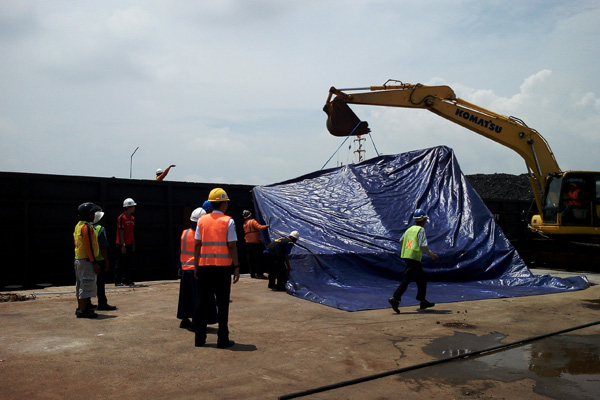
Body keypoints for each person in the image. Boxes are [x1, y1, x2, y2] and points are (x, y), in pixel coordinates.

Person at [194, 188, 240, 349]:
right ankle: (222, 339)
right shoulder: (228, 221)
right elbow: (232, 245)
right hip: (222, 270)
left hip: (204, 268)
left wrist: (196, 266)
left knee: (202, 304)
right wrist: (236, 266)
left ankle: (199, 339)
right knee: (222, 304)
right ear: (222, 204)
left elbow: (198, 244)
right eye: (226, 202)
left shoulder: (201, 221)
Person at [388, 209, 439, 313]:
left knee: (421, 278)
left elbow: (401, 240)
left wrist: (406, 249)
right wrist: (432, 255)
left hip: (407, 256)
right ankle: (395, 298)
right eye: (425, 219)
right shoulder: (421, 230)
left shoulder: (410, 229)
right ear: (423, 219)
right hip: (414, 257)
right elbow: (423, 246)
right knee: (407, 279)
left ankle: (423, 301)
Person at [177, 207, 217, 331]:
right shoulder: (201, 236)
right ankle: (196, 322)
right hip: (197, 269)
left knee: (186, 296)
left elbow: (181, 251)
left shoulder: (185, 233)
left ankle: (184, 319)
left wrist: (179, 266)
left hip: (185, 269)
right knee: (198, 297)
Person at [73, 202, 102, 319]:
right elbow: (88, 246)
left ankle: (80, 307)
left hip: (79, 259)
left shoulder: (78, 226)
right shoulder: (87, 228)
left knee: (80, 285)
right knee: (86, 285)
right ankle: (83, 311)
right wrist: (94, 262)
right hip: (86, 261)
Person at [92, 210, 117, 311]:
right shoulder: (100, 229)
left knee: (89, 282)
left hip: (89, 259)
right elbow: (103, 247)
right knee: (100, 283)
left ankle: (87, 302)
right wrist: (106, 260)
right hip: (99, 259)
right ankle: (102, 303)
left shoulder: (88, 228)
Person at [115, 198, 136, 286]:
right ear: (128, 207)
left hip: (129, 243)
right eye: (133, 206)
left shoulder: (132, 218)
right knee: (120, 262)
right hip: (121, 244)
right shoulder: (121, 218)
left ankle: (127, 279)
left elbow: (132, 232)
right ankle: (117, 280)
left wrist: (133, 243)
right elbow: (121, 231)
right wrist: (123, 244)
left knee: (128, 262)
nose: (134, 208)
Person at [242, 210, 269, 279]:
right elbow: (259, 227)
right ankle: (260, 274)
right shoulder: (253, 221)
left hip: (248, 242)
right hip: (255, 242)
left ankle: (252, 274)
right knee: (258, 258)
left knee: (251, 259)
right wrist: (267, 226)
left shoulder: (245, 223)